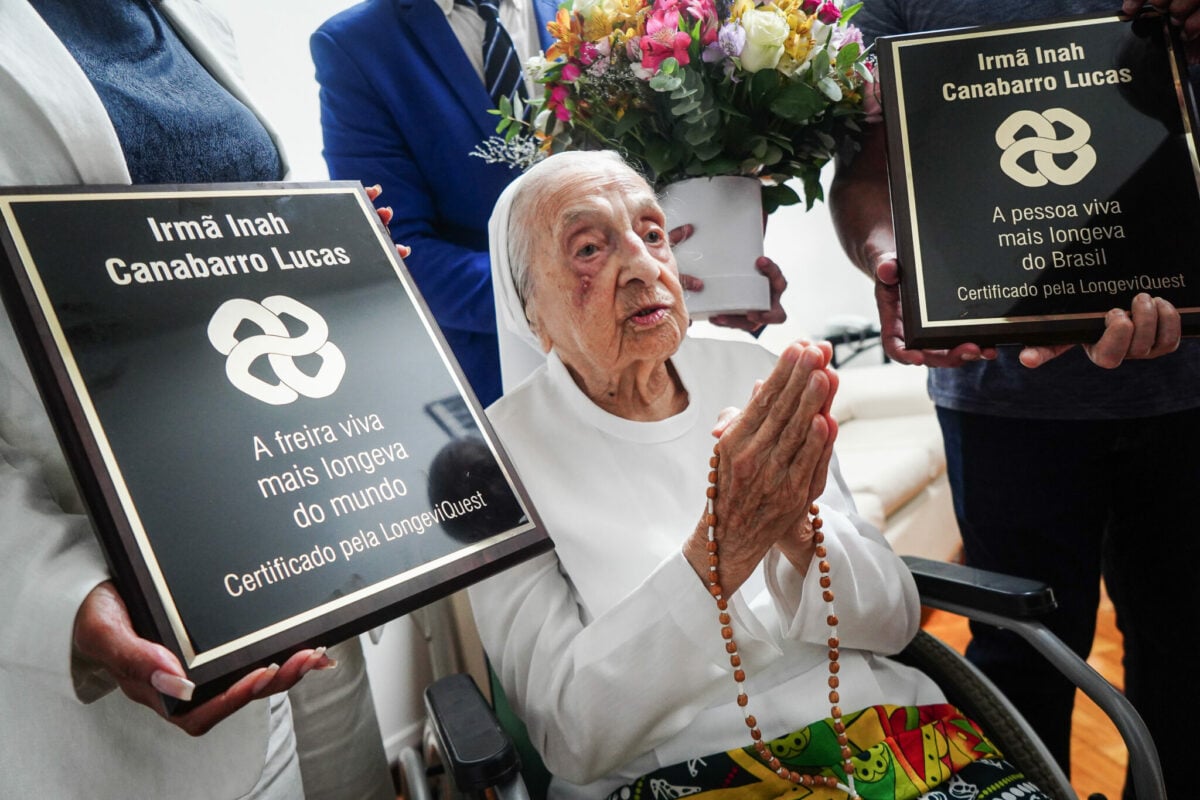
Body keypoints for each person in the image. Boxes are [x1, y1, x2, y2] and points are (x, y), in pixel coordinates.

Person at [466, 150, 1051, 799]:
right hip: (686, 777)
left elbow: (893, 622)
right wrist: (720, 553)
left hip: (887, 739)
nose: (641, 265)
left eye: (653, 233)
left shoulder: (750, 371)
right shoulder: (489, 466)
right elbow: (569, 738)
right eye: (588, 249)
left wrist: (800, 533)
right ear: (529, 312)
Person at [0, 1, 391, 797]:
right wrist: (63, 593)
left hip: (300, 575)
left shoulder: (194, 16)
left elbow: (220, 260)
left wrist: (338, 266)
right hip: (126, 667)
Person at [828, 1, 1200, 795]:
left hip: (1189, 381)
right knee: (1020, 659)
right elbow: (863, 170)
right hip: (999, 397)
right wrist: (892, 260)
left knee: (1187, 662)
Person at [310, 0, 788, 403]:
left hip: (661, 369)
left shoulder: (597, 10)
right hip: (499, 383)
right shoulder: (357, 46)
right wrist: (572, 299)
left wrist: (717, 274)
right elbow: (400, 252)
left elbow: (658, 173)